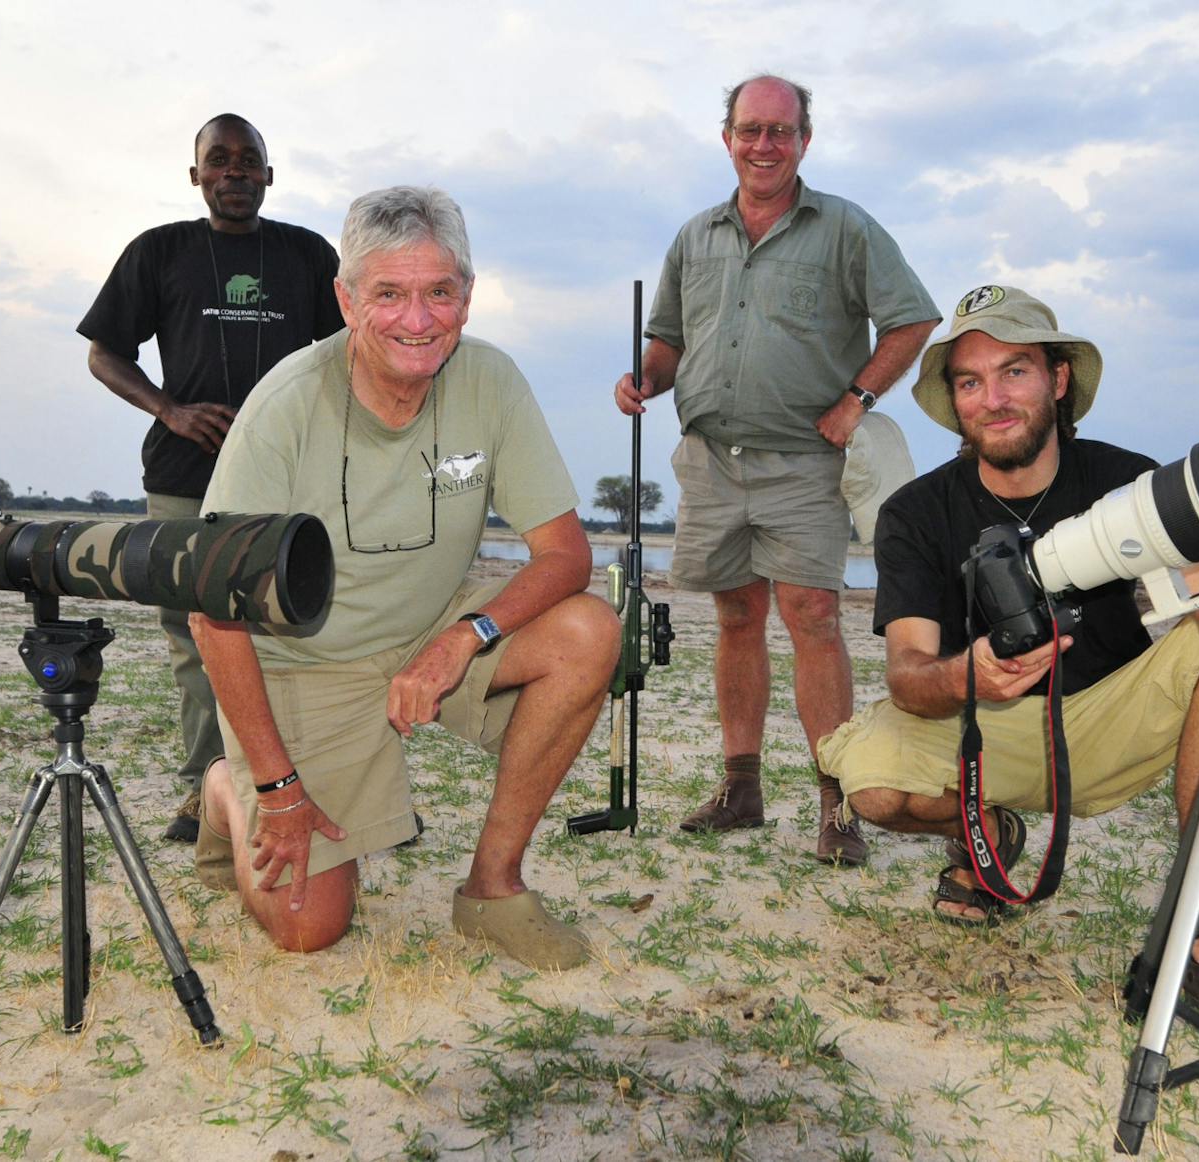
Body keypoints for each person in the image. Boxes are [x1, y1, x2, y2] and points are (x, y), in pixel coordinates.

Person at [817, 285, 1199, 1011]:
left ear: (1059, 379)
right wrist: (967, 673)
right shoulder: (915, 513)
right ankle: (986, 830)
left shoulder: (1130, 479)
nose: (994, 398)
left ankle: (1197, 919)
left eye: (1015, 371)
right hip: (986, 726)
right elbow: (910, 676)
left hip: (1112, 722)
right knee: (873, 786)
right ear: (956, 402)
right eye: (971, 382)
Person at [189, 186, 619, 967]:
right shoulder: (283, 406)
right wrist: (280, 789)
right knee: (309, 928)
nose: (417, 321)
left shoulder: (491, 380)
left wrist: (469, 634)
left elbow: (566, 554)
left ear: (467, 296)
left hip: (429, 629)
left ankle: (494, 888)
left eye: (438, 293)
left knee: (590, 629)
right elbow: (211, 613)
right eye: (388, 293)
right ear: (347, 300)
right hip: (307, 659)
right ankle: (230, 789)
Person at [614, 74, 939, 863]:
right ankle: (741, 788)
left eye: (781, 132)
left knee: (814, 620)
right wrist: (645, 379)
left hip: (804, 464)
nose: (765, 145)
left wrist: (857, 399)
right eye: (751, 129)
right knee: (734, 618)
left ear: (805, 140)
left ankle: (836, 804)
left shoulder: (846, 228)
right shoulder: (695, 236)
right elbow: (668, 339)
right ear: (726, 136)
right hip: (712, 462)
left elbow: (913, 318)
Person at [78, 114, 344, 842]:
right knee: (195, 635)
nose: (234, 173)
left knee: (301, 624)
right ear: (195, 176)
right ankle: (208, 791)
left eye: (248, 160)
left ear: (269, 173)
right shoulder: (158, 251)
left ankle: (320, 782)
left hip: (289, 476)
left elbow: (350, 351)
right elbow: (105, 352)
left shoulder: (308, 254)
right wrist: (169, 410)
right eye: (218, 161)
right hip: (183, 476)